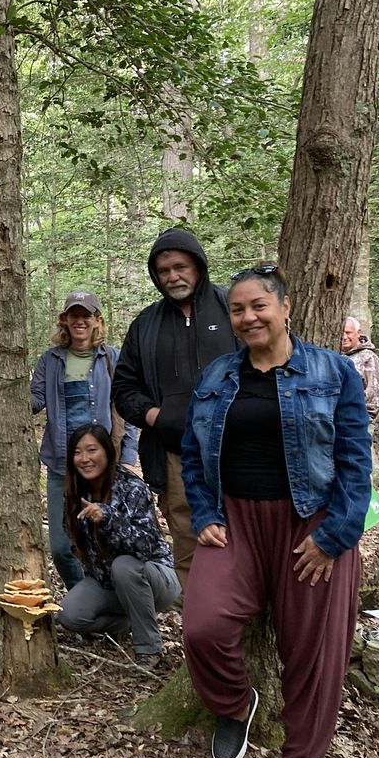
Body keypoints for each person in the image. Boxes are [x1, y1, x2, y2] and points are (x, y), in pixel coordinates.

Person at [180, 265, 371, 758]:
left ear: (285, 308)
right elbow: (193, 454)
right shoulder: (217, 376)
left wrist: (335, 536)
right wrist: (207, 511)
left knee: (311, 653)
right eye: (238, 310)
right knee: (203, 625)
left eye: (259, 306)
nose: (248, 317)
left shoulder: (334, 373)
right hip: (234, 522)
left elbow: (357, 463)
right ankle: (235, 705)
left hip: (310, 526)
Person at [112, 228, 236, 593]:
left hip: (239, 453)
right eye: (164, 270)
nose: (173, 276)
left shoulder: (231, 307)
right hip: (175, 455)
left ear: (198, 266)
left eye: (180, 266)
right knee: (190, 543)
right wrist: (156, 417)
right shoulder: (146, 324)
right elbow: (124, 388)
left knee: (244, 542)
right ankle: (200, 633)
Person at [31, 291, 138, 590]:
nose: (80, 321)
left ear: (96, 320)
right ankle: (84, 598)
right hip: (61, 465)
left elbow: (125, 410)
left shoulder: (112, 359)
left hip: (105, 465)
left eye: (86, 315)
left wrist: (128, 457)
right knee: (62, 548)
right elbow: (35, 400)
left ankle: (112, 604)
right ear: (65, 320)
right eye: (74, 315)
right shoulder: (50, 360)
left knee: (107, 540)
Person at [56, 424, 178, 667]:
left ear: (108, 453)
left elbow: (145, 546)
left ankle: (148, 649)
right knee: (70, 615)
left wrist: (108, 518)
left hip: (156, 577)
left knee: (123, 565)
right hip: (108, 582)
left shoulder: (131, 486)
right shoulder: (76, 492)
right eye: (78, 452)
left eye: (92, 450)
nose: (85, 459)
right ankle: (131, 622)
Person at [341, 317, 379, 419]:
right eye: (341, 332)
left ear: (358, 333)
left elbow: (376, 395)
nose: (344, 337)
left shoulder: (368, 357)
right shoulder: (334, 355)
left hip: (358, 422)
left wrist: (364, 421)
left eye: (348, 333)